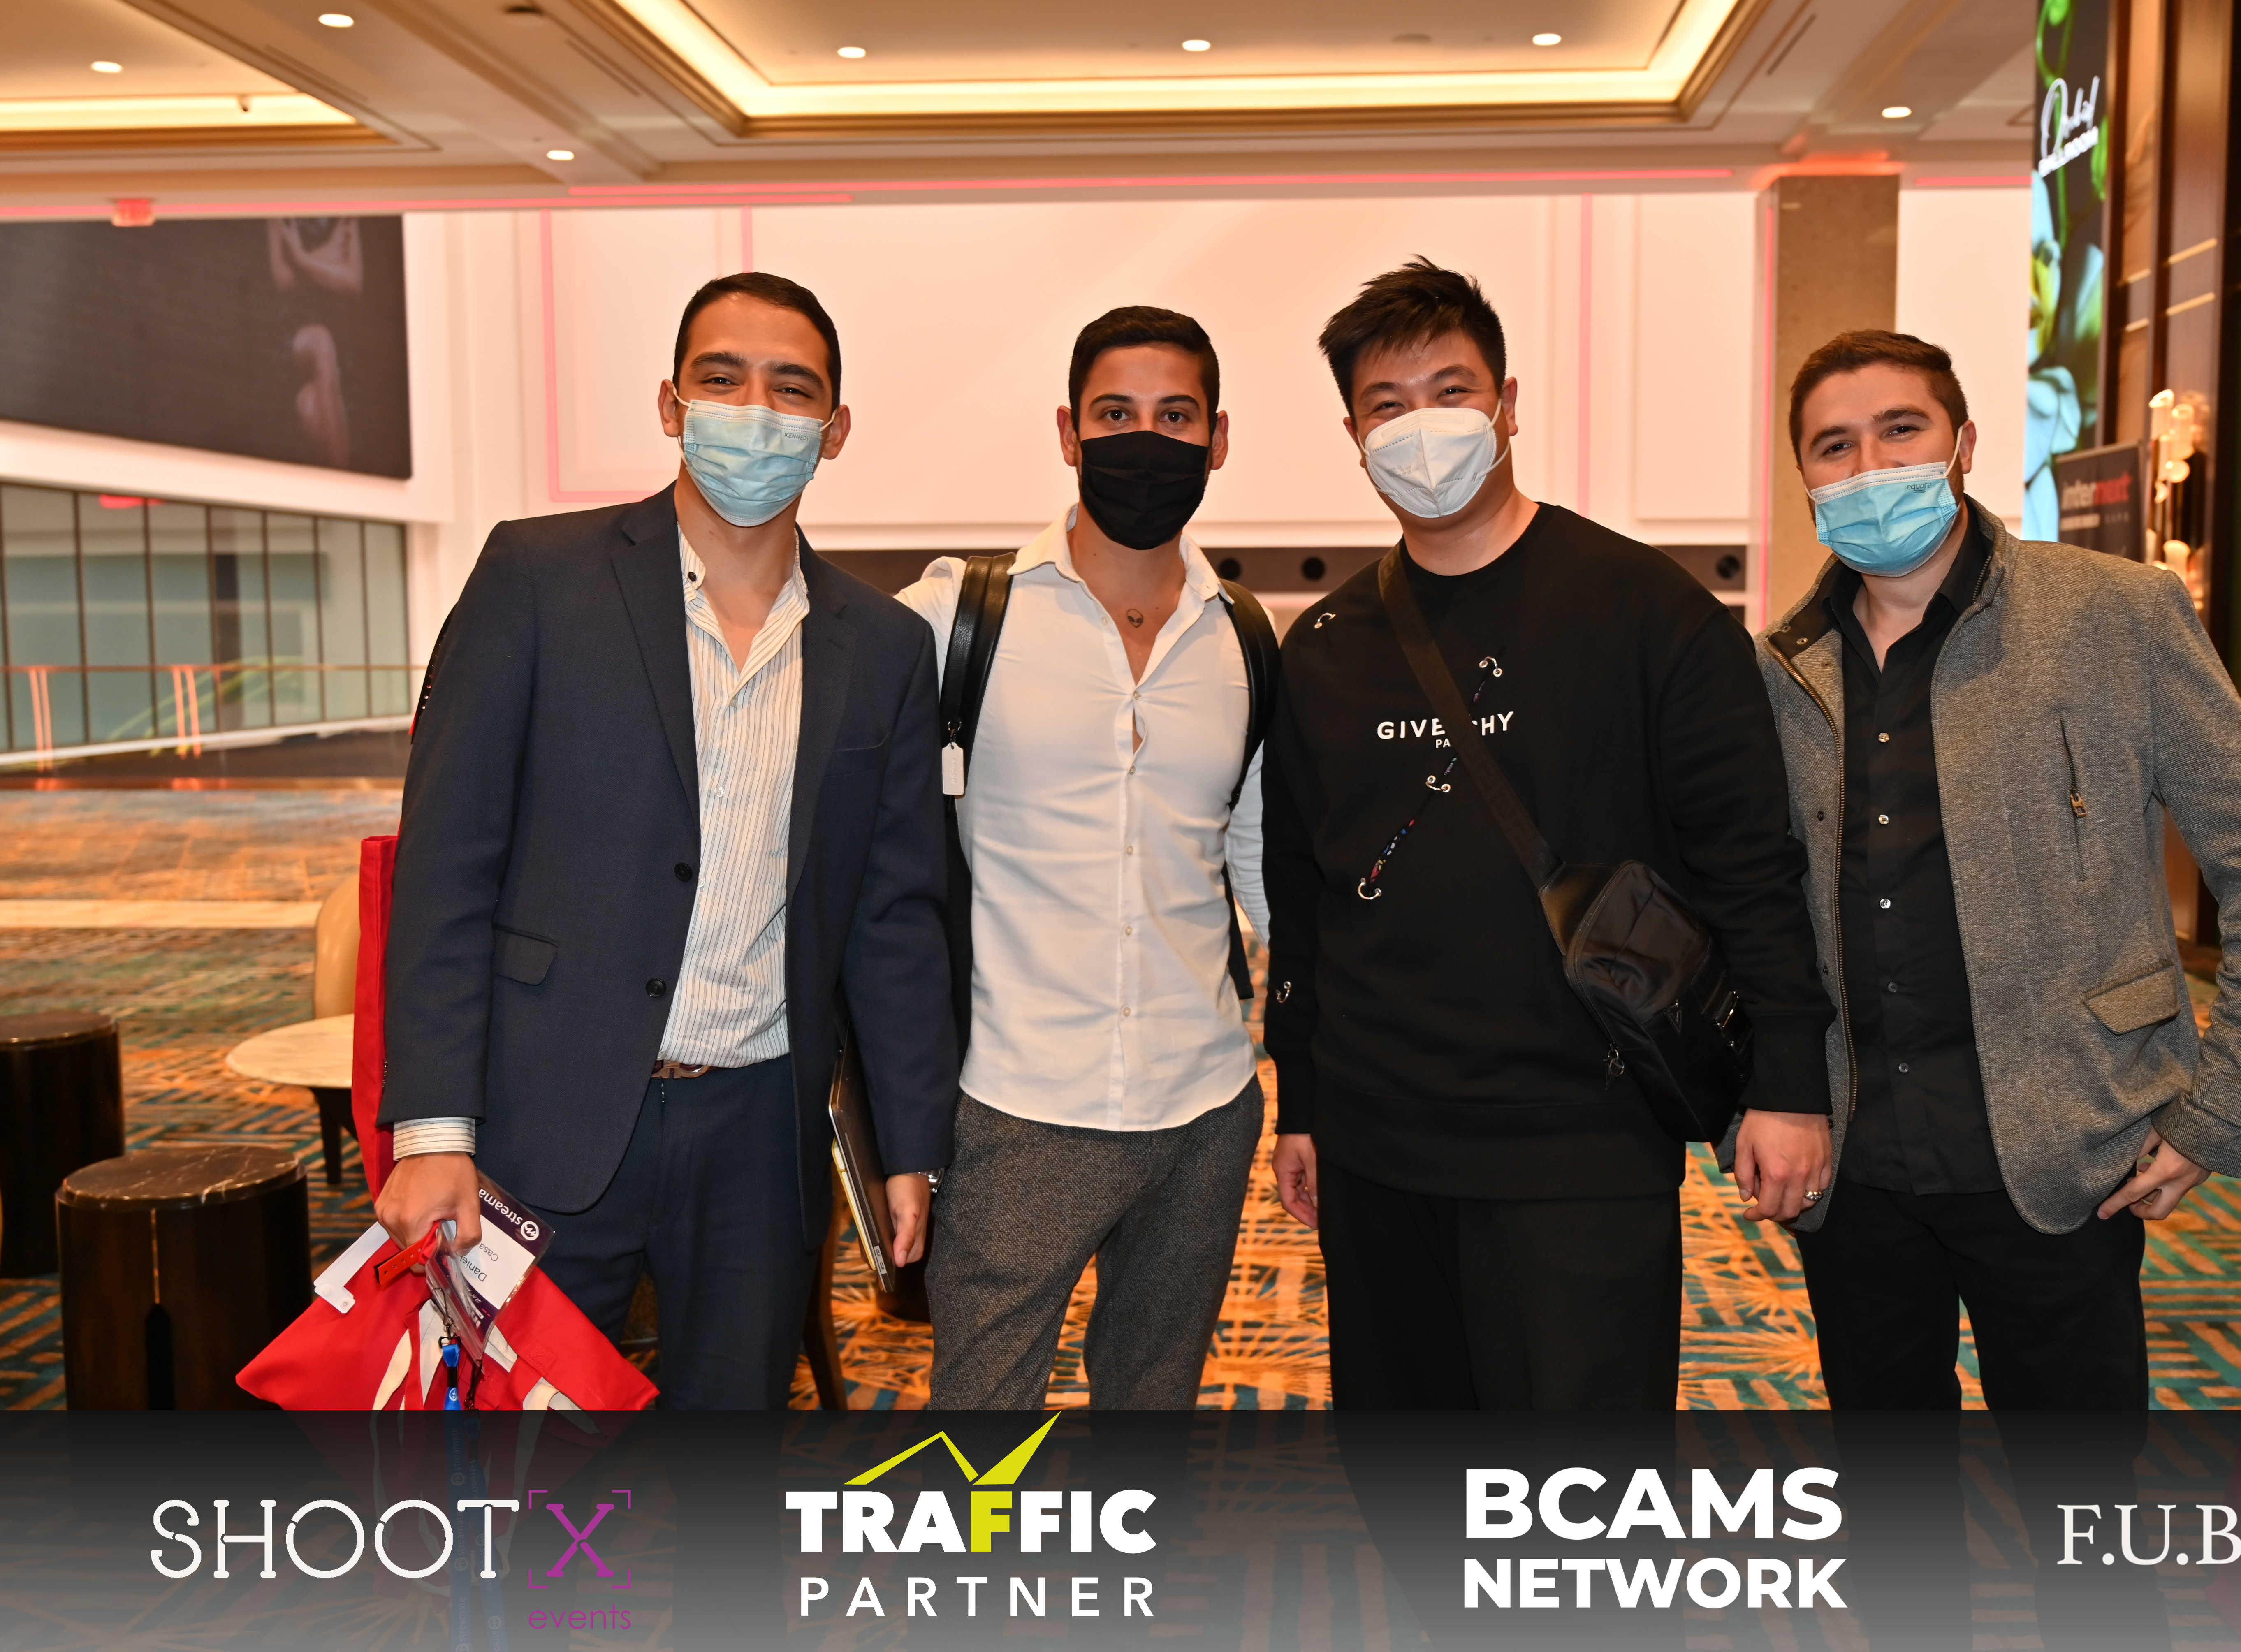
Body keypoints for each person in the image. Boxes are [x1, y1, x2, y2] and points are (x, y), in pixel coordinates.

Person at [1260, 258, 1838, 1409]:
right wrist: (1305, 1102)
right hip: (1380, 1143)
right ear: (1354, 435)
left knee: (1574, 1485)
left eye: (1452, 391)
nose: (1422, 427)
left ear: (1509, 404)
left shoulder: (1648, 613)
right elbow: (1303, 893)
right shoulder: (1324, 646)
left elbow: (1749, 863)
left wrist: (1789, 1082)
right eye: (1387, 405)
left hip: (1581, 1138)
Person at [375, 271, 956, 1410]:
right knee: (532, 1468)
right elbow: (446, 868)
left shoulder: (884, 646)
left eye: (792, 389)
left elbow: (894, 919)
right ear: (670, 403)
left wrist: (907, 1142)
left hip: (762, 1135)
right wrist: (432, 1130)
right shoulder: (536, 578)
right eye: (721, 379)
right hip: (546, 1117)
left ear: (835, 429)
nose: (756, 411)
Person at [1761, 328, 2241, 1410]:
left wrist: (2221, 1109)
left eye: (1901, 430)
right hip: (1854, 1169)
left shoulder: (2116, 615)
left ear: (1964, 443)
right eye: (1835, 446)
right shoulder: (1781, 668)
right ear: (1805, 475)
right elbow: (1755, 910)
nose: (1870, 466)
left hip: (2066, 1149)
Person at [899, 306, 1272, 1410]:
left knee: (1153, 1417)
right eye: (1115, 415)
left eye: (1175, 417)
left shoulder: (1245, 637)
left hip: (1205, 1103)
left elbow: (1258, 869)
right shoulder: (958, 617)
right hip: (1015, 1105)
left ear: (1218, 439)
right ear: (1069, 433)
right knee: (980, 1431)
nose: (1144, 441)